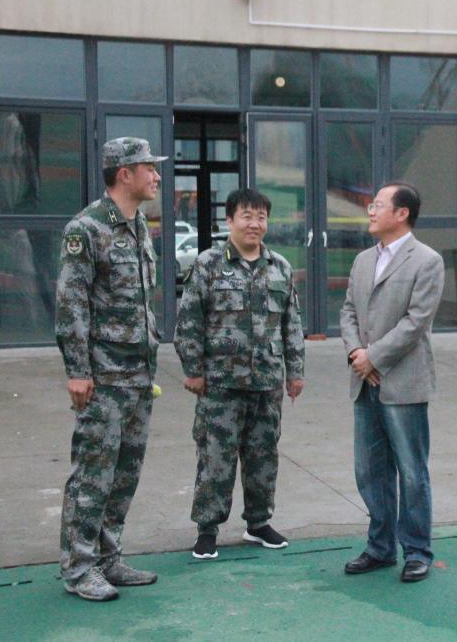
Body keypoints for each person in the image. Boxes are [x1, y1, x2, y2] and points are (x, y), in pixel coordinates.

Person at [55, 137, 167, 601]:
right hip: (103, 376)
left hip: (138, 375)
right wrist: (78, 370)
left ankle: (107, 557)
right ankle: (79, 568)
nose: (156, 176)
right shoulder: (86, 229)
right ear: (125, 174)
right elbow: (71, 304)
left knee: (124, 473)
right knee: (93, 474)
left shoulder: (138, 224)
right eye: (149, 168)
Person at [174, 189, 305, 560]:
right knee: (216, 458)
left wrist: (295, 371)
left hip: (266, 384)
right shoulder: (208, 264)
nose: (255, 224)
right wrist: (193, 369)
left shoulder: (279, 267)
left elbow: (291, 324)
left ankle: (258, 523)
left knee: (264, 457)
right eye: (247, 216)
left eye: (261, 217)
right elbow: (189, 321)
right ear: (229, 220)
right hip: (221, 384)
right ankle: (207, 528)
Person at [339, 181, 445, 583]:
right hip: (364, 381)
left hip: (403, 383)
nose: (370, 210)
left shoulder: (427, 261)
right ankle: (380, 547)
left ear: (402, 214)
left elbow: (416, 322)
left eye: (378, 205)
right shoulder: (363, 260)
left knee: (412, 472)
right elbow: (348, 311)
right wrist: (356, 353)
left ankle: (417, 551)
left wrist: (374, 357)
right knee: (370, 471)